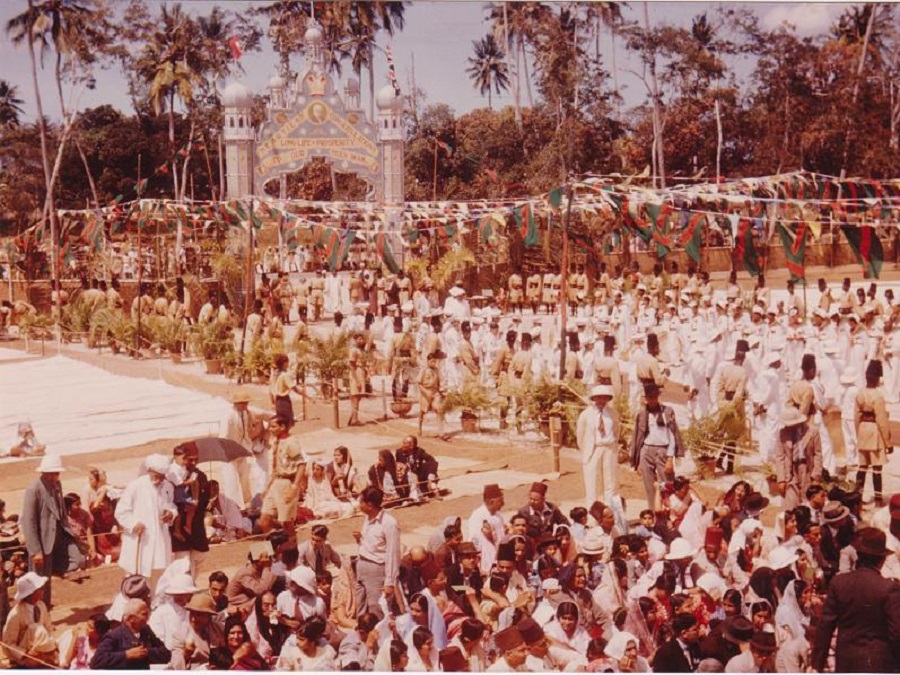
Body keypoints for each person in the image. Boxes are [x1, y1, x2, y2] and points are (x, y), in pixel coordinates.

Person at [811, 527, 900, 672]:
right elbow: (896, 633)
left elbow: (825, 626)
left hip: (846, 663)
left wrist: (817, 664)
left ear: (858, 556)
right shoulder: (889, 588)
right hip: (879, 664)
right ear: (882, 560)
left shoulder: (838, 583)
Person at [20, 454, 83, 609]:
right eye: (53, 473)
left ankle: (44, 606)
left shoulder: (57, 485)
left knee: (77, 558)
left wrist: (69, 531)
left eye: (57, 473)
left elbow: (61, 511)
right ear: (45, 472)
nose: (55, 476)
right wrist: (36, 550)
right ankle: (38, 610)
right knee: (39, 581)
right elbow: (29, 521)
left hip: (58, 537)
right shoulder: (33, 489)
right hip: (42, 542)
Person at [115, 454, 176, 579]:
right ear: (149, 471)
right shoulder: (135, 486)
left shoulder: (168, 486)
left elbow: (172, 506)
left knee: (159, 576)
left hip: (160, 541)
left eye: (162, 477)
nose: (160, 480)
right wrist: (133, 524)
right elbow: (121, 511)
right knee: (136, 578)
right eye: (157, 476)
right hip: (139, 540)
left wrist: (171, 514)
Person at [630, 383, 684, 510]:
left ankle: (669, 512)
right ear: (645, 398)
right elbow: (638, 437)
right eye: (649, 397)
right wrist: (638, 460)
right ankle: (653, 513)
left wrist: (670, 458)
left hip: (662, 450)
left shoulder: (667, 412)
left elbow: (672, 435)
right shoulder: (642, 414)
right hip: (646, 450)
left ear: (658, 397)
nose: (652, 400)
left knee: (668, 484)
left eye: (654, 397)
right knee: (649, 488)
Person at [354, 486, 401, 619]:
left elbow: (393, 554)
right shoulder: (367, 518)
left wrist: (389, 582)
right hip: (362, 566)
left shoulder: (389, 523)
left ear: (369, 505)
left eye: (361, 501)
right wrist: (360, 539)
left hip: (376, 570)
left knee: (377, 608)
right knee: (361, 606)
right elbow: (372, 545)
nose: (359, 504)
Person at [855, 360, 894, 507]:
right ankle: (878, 500)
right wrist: (888, 442)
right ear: (877, 379)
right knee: (877, 469)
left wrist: (858, 433)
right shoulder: (878, 396)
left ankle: (857, 497)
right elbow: (882, 420)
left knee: (862, 467)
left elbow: (856, 416)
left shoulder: (860, 394)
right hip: (874, 433)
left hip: (863, 430)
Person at [90, 599, 171, 669]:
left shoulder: (146, 631)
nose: (148, 617)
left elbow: (166, 654)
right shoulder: (114, 636)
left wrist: (147, 652)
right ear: (131, 618)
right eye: (144, 614)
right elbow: (96, 661)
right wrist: (126, 655)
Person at [167, 441, 210, 573]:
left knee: (200, 558)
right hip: (179, 526)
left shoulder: (201, 476)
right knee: (183, 563)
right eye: (189, 460)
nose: (193, 463)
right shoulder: (170, 475)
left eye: (196, 460)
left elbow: (204, 501)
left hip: (196, 526)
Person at [259, 414, 307, 533]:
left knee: (286, 523)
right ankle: (273, 544)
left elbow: (301, 465)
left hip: (287, 483)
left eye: (273, 426)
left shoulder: (291, 443)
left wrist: (294, 487)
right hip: (276, 483)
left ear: (282, 427)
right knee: (263, 521)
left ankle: (291, 544)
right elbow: (276, 468)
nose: (270, 429)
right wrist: (267, 487)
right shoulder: (277, 442)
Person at [576, 384, 619, 508]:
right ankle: (592, 514)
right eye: (598, 397)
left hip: (609, 449)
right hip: (593, 449)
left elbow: (616, 430)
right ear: (593, 398)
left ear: (608, 399)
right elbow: (580, 433)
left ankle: (610, 512)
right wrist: (586, 449)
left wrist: (612, 445)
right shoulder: (586, 414)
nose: (601, 401)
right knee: (592, 483)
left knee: (610, 482)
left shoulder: (612, 413)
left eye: (604, 398)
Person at [1, 572, 55, 667]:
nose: (43, 590)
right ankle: (51, 657)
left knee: (70, 634)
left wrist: (51, 643)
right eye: (40, 589)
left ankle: (51, 655)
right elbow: (8, 643)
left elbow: (49, 628)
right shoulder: (16, 614)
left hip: (42, 646)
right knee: (36, 628)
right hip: (26, 654)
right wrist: (25, 654)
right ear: (31, 593)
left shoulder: (41, 606)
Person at [774, 407, 823, 511]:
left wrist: (816, 477)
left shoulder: (812, 431)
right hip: (791, 471)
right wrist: (781, 480)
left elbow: (818, 454)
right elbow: (779, 457)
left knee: (807, 501)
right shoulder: (782, 433)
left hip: (807, 469)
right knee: (790, 503)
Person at [226, 541, 277, 612]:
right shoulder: (245, 573)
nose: (271, 560)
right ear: (259, 560)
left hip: (249, 600)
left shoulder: (258, 569)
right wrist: (266, 567)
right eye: (269, 557)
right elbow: (261, 591)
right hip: (237, 604)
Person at [395, 436, 440, 500]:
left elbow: (432, 461)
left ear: (411, 446)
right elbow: (398, 465)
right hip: (406, 476)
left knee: (430, 464)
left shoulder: (419, 451)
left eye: (405, 443)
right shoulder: (399, 452)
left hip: (419, 475)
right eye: (403, 443)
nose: (402, 445)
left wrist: (431, 476)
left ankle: (432, 484)